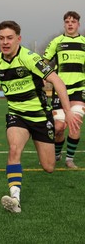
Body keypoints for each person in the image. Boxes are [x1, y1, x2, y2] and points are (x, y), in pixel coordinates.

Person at [0, 20, 81, 213]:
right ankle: (15, 199)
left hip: (40, 117)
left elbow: (57, 81)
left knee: (49, 166)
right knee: (13, 149)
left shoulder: (29, 58)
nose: (5, 42)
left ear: (18, 39)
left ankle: (56, 148)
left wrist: (68, 111)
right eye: (1, 38)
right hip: (16, 115)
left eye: (9, 38)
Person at [43, 11, 85, 169]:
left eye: (73, 21)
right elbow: (44, 62)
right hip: (60, 90)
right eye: (67, 21)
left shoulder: (84, 42)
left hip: (79, 89)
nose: (70, 24)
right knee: (59, 127)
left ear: (78, 24)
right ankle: (56, 154)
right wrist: (43, 77)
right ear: (64, 24)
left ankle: (69, 159)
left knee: (75, 124)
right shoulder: (57, 42)